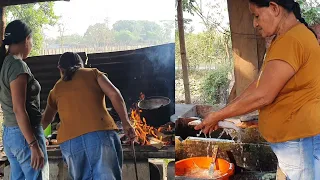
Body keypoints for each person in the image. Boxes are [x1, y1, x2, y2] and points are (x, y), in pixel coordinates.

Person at [195, 0, 320, 179]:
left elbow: (263, 94)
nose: (255, 23)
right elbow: (260, 85)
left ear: (274, 8)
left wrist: (218, 115)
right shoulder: (288, 38)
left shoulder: (292, 40)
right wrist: (225, 112)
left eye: (256, 15)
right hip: (297, 140)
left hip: (298, 141)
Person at [41, 52, 136, 180]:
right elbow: (114, 94)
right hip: (99, 134)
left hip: (70, 144)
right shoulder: (93, 73)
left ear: (60, 69)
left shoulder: (56, 89)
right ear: (82, 65)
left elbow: (47, 119)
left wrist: (32, 140)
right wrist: (125, 122)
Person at [0, 20, 48, 179]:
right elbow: (19, 109)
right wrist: (33, 144)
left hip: (10, 133)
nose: (32, 44)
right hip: (24, 135)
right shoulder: (17, 66)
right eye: (31, 40)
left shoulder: (6, 62)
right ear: (26, 39)